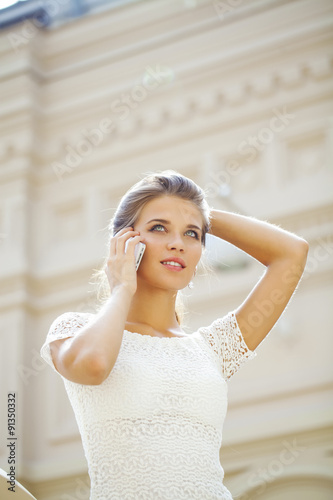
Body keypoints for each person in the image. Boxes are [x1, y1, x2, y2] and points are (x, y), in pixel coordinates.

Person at [40, 169, 309, 499]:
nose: (177, 244)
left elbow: (292, 253)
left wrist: (202, 214)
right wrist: (122, 287)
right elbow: (94, 365)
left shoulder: (213, 349)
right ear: (124, 242)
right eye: (158, 228)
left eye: (192, 234)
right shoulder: (75, 329)